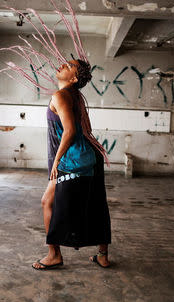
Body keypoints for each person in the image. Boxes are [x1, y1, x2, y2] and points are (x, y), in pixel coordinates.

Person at [32, 59, 112, 270]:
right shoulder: (76, 96)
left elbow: (70, 131)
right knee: (96, 206)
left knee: (47, 203)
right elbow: (86, 128)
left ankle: (54, 255)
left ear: (74, 78)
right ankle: (103, 255)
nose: (62, 66)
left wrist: (57, 161)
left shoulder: (60, 96)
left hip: (74, 160)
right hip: (90, 157)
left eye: (68, 66)